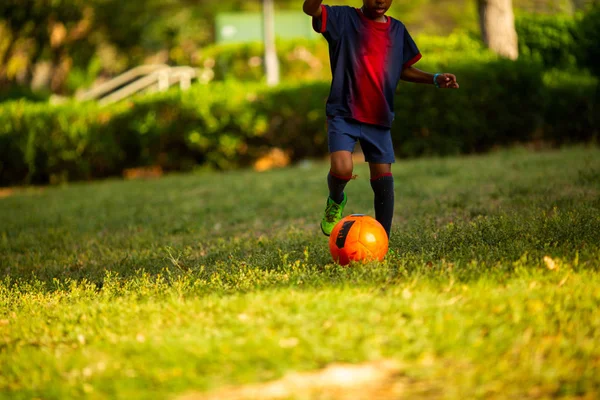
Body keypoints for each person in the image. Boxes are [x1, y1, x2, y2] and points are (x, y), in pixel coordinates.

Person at [302, 0, 459, 239]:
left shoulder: (397, 30)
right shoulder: (343, 18)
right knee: (343, 169)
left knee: (383, 180)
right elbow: (310, 9)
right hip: (344, 112)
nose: (380, 1)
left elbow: (403, 69)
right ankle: (335, 200)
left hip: (379, 116)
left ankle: (383, 239)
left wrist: (434, 78)